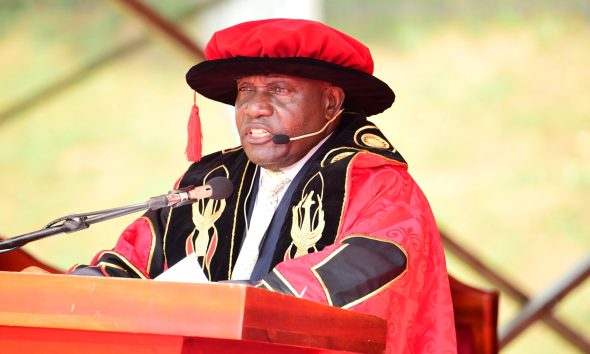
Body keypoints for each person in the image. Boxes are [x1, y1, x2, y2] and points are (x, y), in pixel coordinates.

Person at [69, 18, 457, 353]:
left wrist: (249, 301)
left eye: (278, 90)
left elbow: (365, 267)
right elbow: (137, 258)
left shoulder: (375, 182)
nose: (254, 107)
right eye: (245, 90)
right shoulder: (210, 180)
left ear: (330, 102)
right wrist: (94, 284)